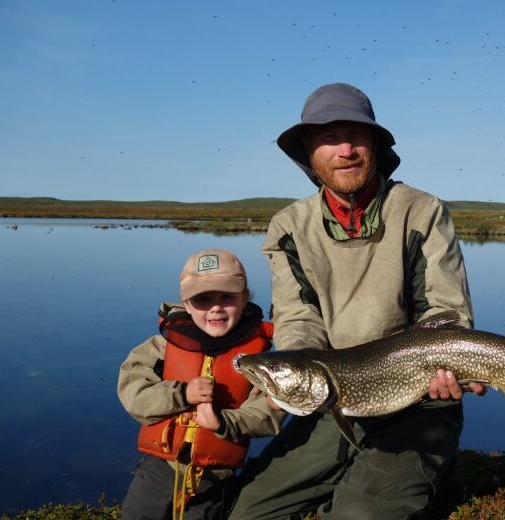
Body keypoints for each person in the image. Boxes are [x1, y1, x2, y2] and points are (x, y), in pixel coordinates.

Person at [228, 82, 482, 519]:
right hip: (332, 397)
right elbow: (297, 320)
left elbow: (446, 314)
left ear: (375, 146)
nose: (344, 149)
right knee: (248, 511)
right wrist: (291, 379)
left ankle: (416, 469)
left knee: (358, 515)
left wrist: (447, 366)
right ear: (309, 151)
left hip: (422, 400)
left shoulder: (422, 211)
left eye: (356, 136)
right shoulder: (288, 227)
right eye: (328, 138)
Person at [118, 249, 284, 520]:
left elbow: (269, 415)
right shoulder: (161, 347)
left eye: (227, 297)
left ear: (244, 298)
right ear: (186, 303)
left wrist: (224, 422)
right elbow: (134, 396)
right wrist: (182, 393)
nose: (215, 307)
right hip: (159, 468)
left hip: (215, 477)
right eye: (203, 299)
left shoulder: (259, 359)